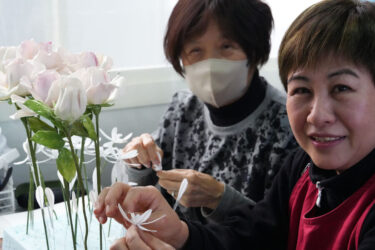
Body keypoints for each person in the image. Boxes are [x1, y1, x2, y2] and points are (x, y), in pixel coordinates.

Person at [95, 0, 375, 249]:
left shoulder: (291, 136)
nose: (317, 115)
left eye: (341, 88)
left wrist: (219, 199)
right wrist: (180, 234)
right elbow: (254, 234)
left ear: (254, 52)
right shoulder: (303, 166)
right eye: (302, 90)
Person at [122, 0, 296, 224]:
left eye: (226, 47)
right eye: (195, 50)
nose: (211, 64)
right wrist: (137, 161)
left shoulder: (286, 123)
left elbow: (284, 230)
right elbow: (148, 196)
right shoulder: (181, 109)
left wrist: (219, 199)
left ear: (253, 51)